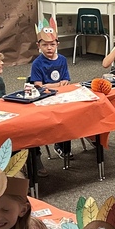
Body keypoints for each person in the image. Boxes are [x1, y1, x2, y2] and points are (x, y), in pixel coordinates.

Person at [29, 17, 73, 159]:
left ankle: (69, 143)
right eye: (45, 45)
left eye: (52, 44)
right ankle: (60, 145)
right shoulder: (37, 64)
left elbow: (66, 81)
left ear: (57, 44)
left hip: (62, 96)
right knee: (58, 117)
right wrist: (56, 85)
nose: (49, 48)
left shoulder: (62, 60)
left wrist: (53, 85)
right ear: (39, 45)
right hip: (45, 99)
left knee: (71, 114)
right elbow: (38, 86)